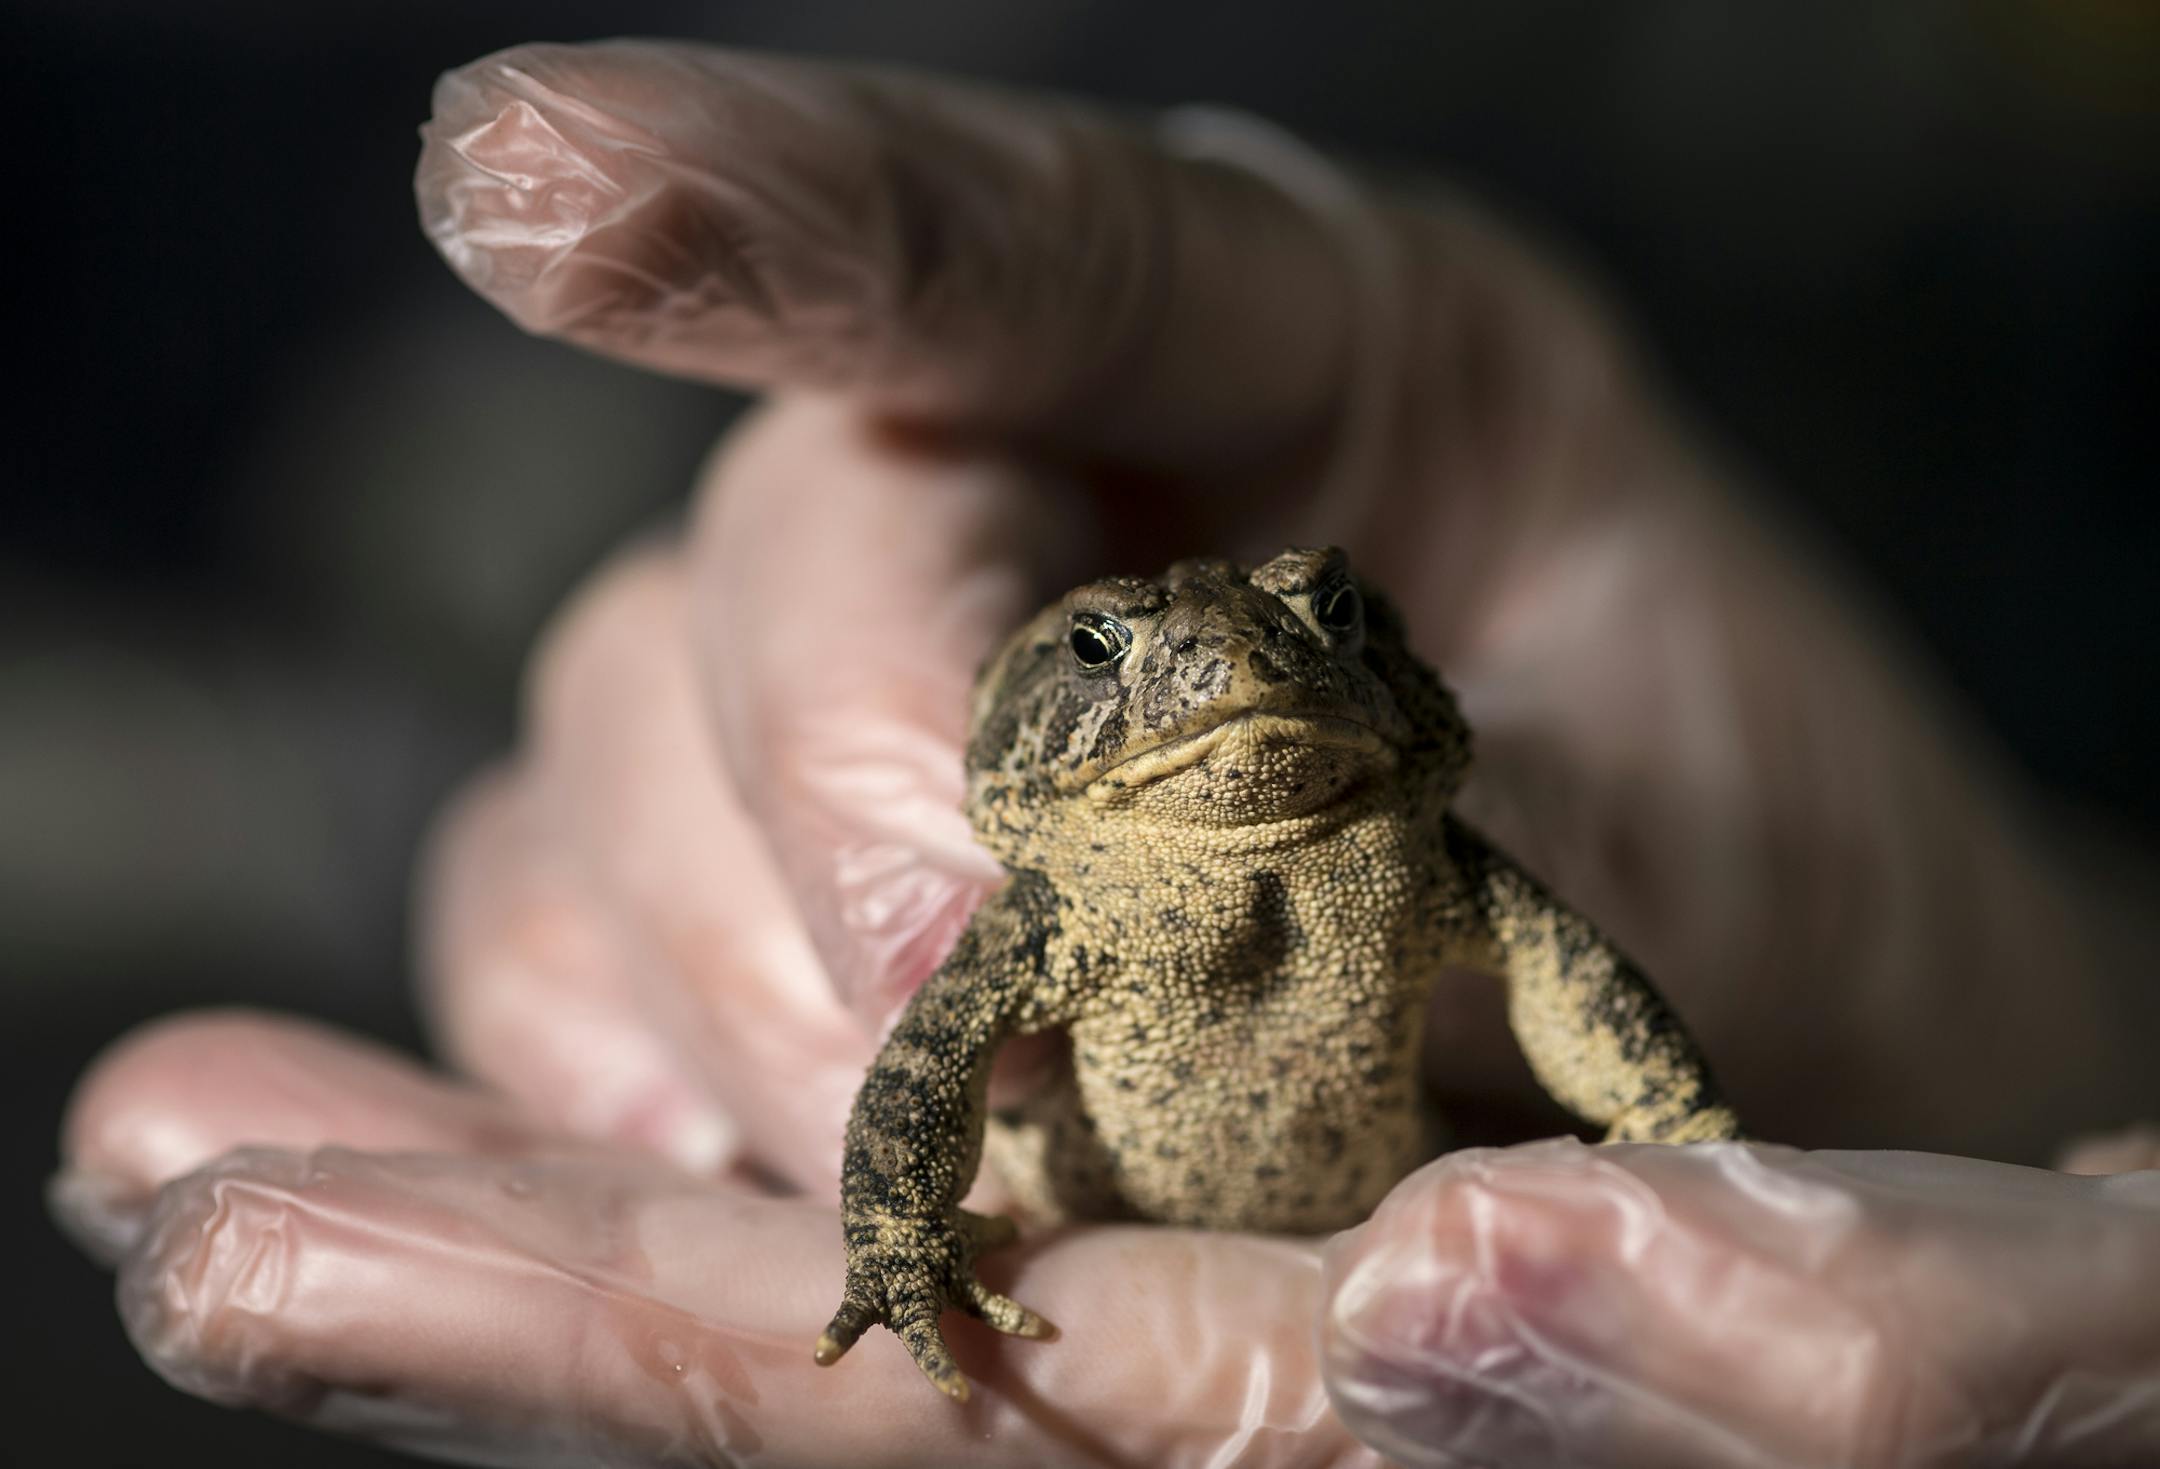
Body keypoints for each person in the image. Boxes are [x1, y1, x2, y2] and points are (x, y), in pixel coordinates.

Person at [51, 39, 2160, 1468]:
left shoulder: (1405, 836)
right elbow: (931, 1051)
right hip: (1091, 1192)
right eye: (1145, 651)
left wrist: (1712, 1138)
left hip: (1408, 1198)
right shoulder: (1058, 883)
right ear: (1042, 716)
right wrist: (897, 1243)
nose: (1233, 671)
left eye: (1310, 628)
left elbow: (1569, 988)